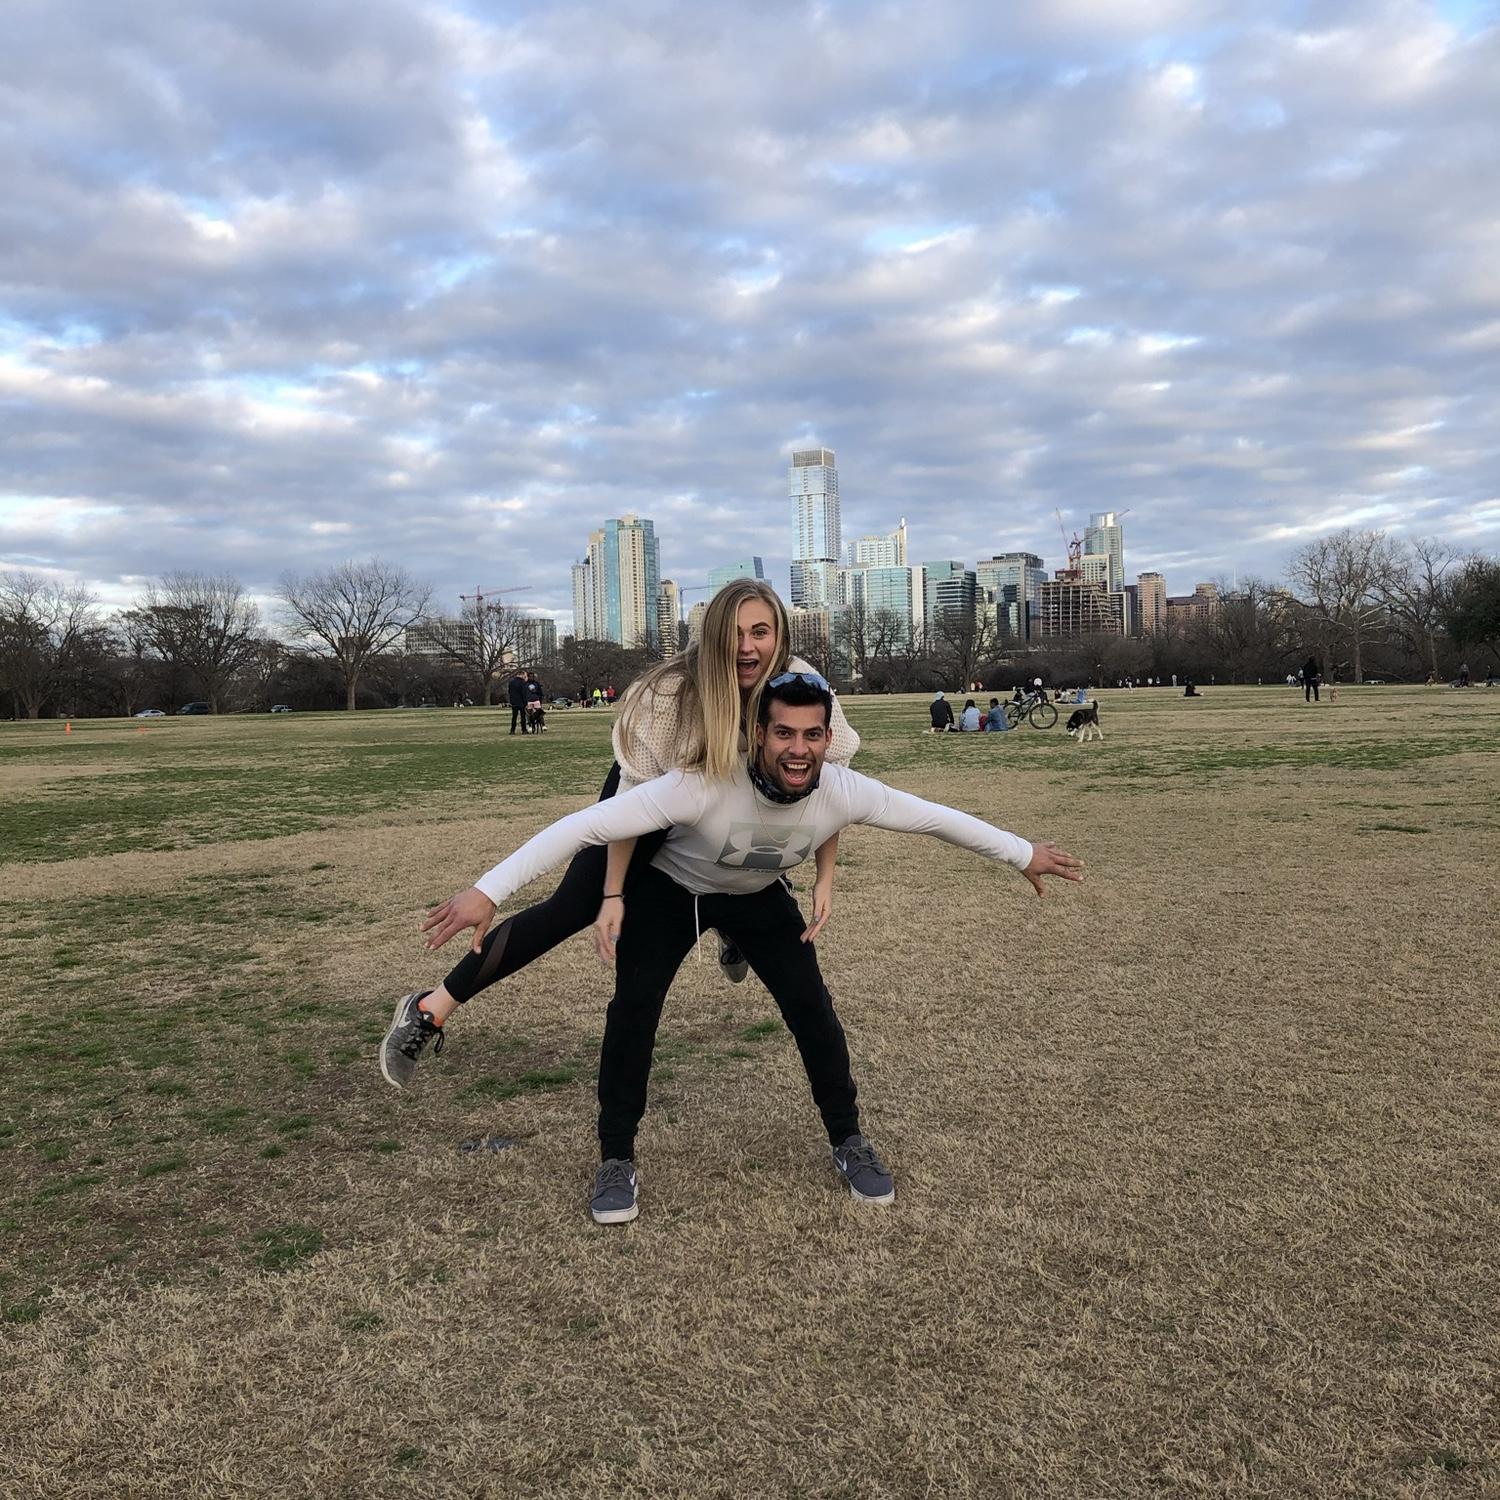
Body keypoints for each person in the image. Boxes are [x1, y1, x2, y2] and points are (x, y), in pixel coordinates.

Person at [421, 671, 1083, 1222]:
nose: (799, 749)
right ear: (757, 734)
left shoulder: (846, 790)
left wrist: (1021, 853)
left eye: (813, 735)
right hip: (670, 893)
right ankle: (616, 1158)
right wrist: (489, 888)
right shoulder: (701, 783)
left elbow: (936, 819)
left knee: (812, 1009)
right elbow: (586, 825)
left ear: (830, 739)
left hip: (757, 898)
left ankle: (849, 1140)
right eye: (784, 733)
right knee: (634, 1012)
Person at [380, 581, 860, 1088]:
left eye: (760, 632)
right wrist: (609, 893)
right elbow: (629, 811)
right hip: (649, 795)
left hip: (731, 816)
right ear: (712, 637)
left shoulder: (802, 684)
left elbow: (826, 791)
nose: (747, 647)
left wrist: (825, 877)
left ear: (779, 634)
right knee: (571, 906)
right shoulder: (669, 694)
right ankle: (430, 1008)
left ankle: (730, 924)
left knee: (749, 892)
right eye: (733, 634)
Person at [506, 670, 530, 734]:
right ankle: (524, 730)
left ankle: (512, 730)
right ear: (521, 675)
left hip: (514, 701)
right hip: (521, 702)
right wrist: (526, 703)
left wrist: (511, 700)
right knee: (523, 717)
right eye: (524, 675)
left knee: (514, 717)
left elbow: (510, 692)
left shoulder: (511, 682)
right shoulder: (522, 682)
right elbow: (523, 693)